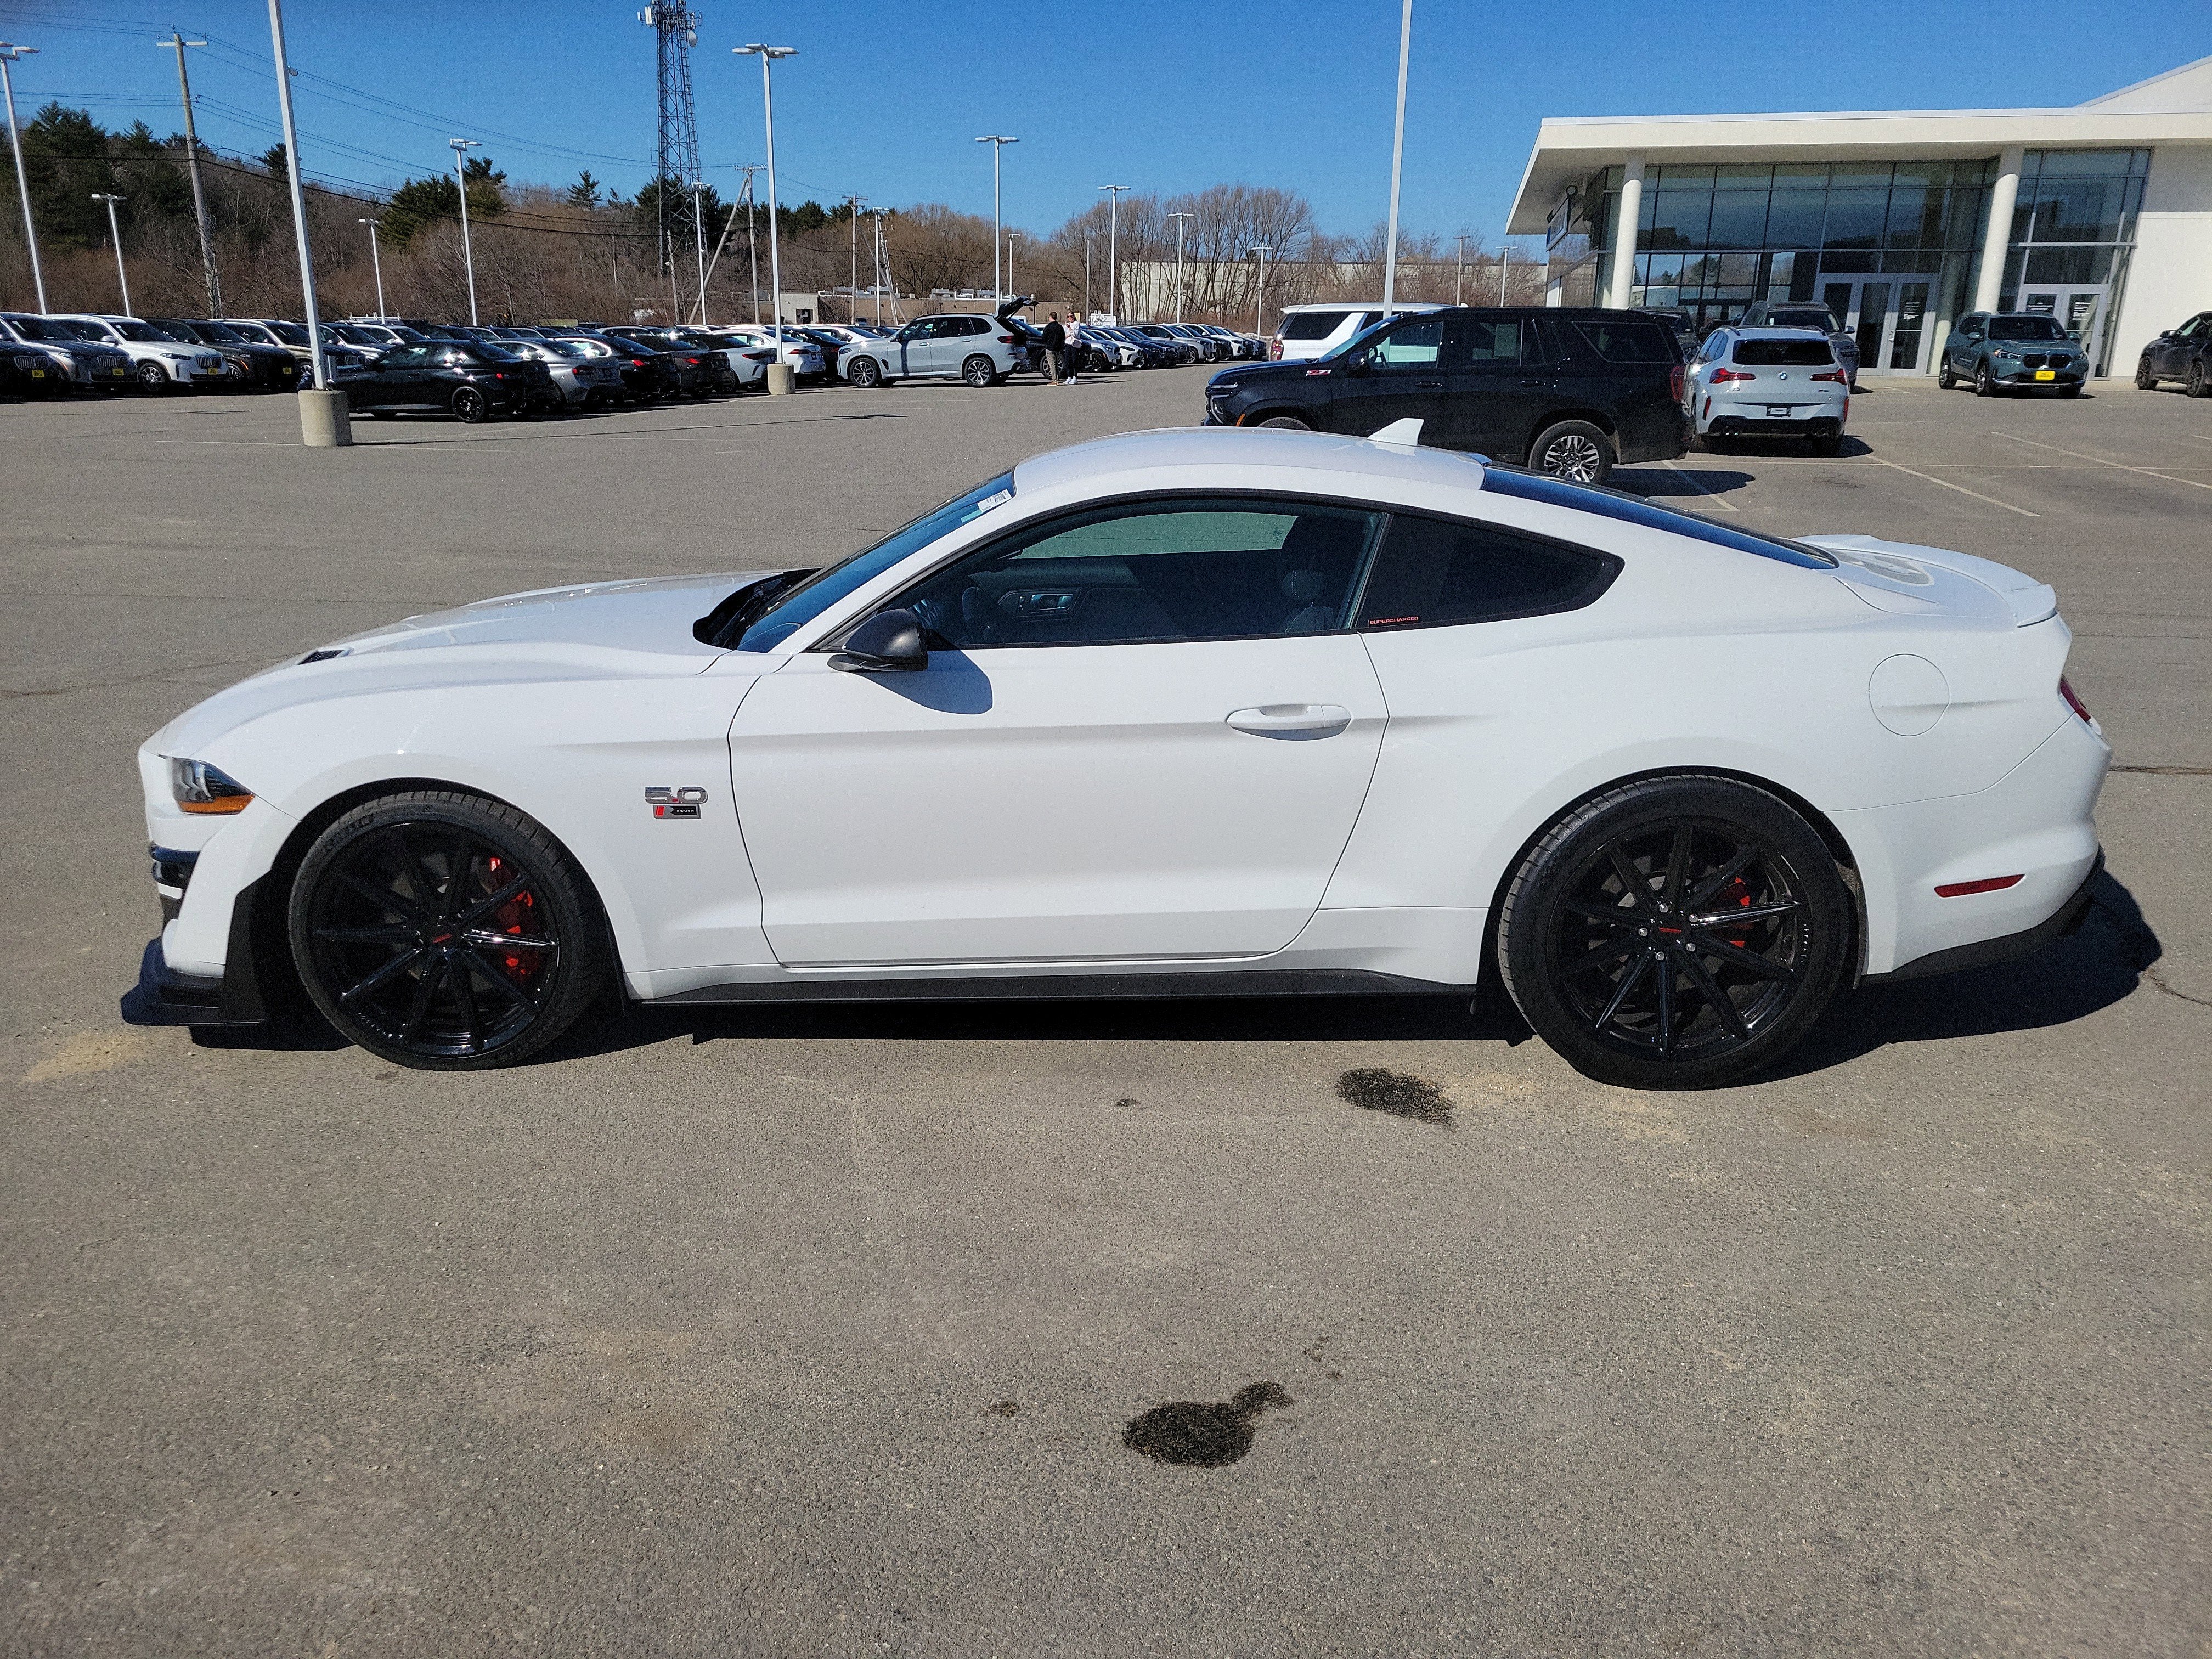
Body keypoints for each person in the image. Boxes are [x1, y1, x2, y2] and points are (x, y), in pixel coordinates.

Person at [1040, 311, 1066, 386]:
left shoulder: (1048, 327)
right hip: (1058, 349)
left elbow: (1044, 337)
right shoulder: (1060, 327)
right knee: (1057, 364)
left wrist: (1048, 342)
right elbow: (1063, 337)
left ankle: (1055, 381)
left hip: (1050, 348)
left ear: (1050, 318)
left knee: (1052, 364)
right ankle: (1057, 380)